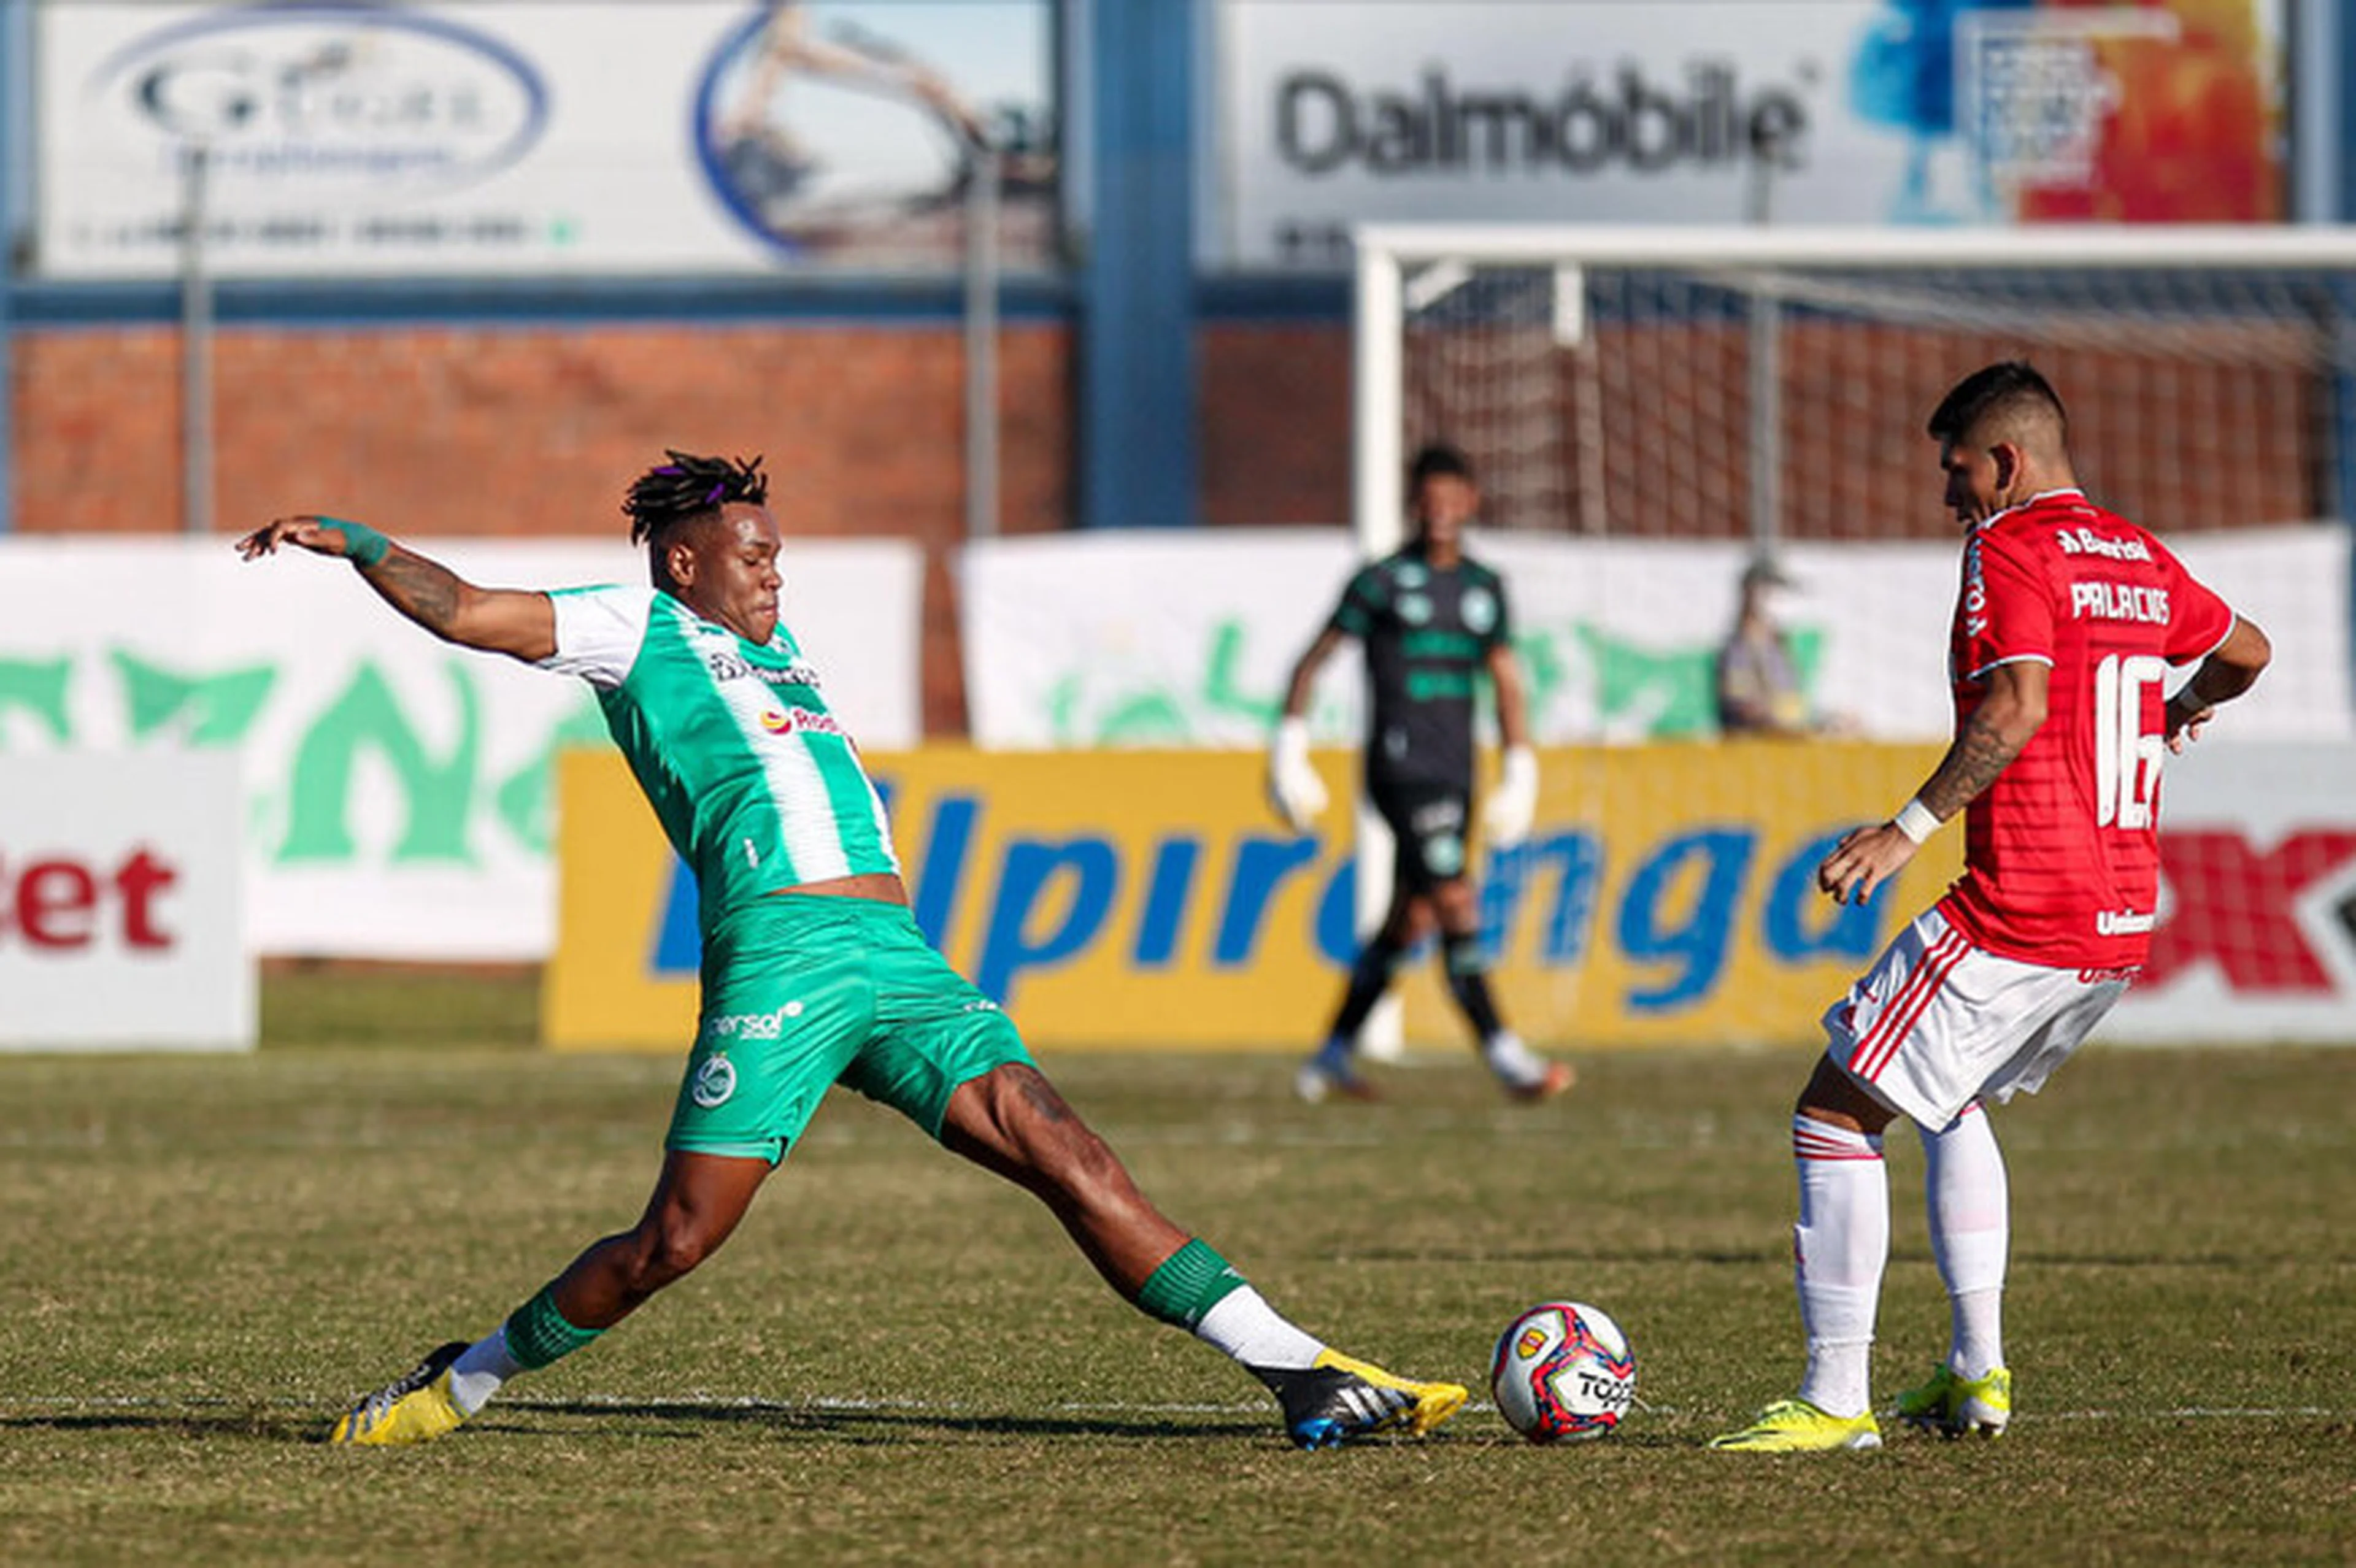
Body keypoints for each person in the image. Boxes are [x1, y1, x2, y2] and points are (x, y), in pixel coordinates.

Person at [238, 450, 1468, 1451]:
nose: (776, 573)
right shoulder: (635, 624)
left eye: (778, 555)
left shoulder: (782, 653)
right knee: (674, 1241)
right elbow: (465, 610)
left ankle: (1302, 1373)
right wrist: (357, 541)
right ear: (685, 561)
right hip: (783, 957)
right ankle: (461, 1382)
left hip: (901, 958)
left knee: (1070, 1150)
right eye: (754, 555)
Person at [1709, 361, 2271, 1451]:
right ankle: (1978, 1374)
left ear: (2006, 462)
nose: (1948, 494)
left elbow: (2013, 707)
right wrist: (2178, 706)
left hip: (2024, 907)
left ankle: (1835, 1399)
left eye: (1957, 469)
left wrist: (1901, 831)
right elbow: (2248, 651)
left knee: (1834, 1112)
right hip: (2117, 920)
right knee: (1949, 1098)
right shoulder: (2137, 555)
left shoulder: (2010, 548)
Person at [1266, 442, 1574, 1105]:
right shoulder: (1380, 582)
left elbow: (1505, 679)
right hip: (1400, 768)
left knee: (1411, 919)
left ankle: (1330, 1056)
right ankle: (1507, 1056)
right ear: (1414, 505)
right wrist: (1289, 747)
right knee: (1456, 899)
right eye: (1429, 501)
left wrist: (1520, 766)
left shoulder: (1484, 588)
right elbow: (1313, 660)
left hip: (1457, 771)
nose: (1440, 513)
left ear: (1470, 503)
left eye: (1451, 500)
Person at [1715, 552, 1815, 737]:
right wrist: (1779, 722)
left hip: (1789, 730)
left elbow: (1793, 702)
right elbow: (1741, 705)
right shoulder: (1741, 648)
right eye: (1771, 593)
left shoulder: (1777, 646)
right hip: (1760, 738)